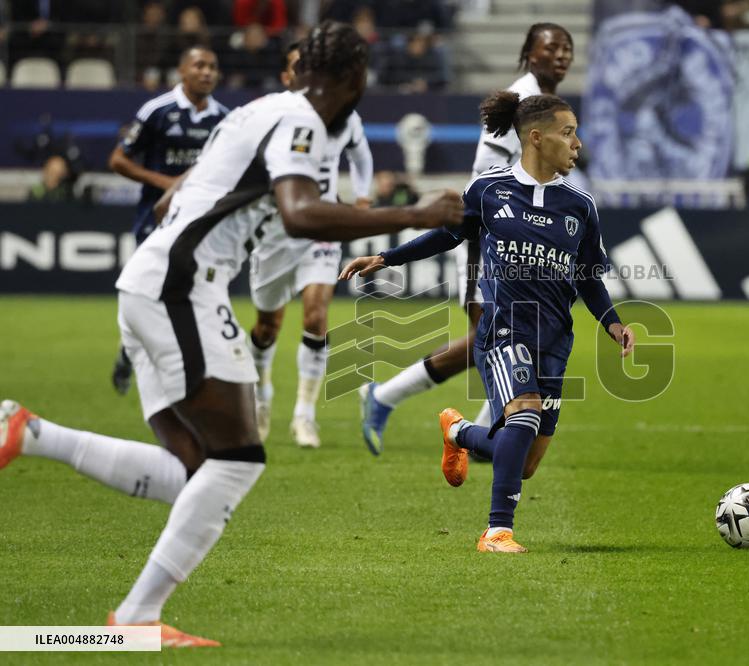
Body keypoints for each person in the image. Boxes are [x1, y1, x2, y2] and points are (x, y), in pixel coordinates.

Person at [0, 21, 462, 646]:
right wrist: (416, 213)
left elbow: (170, 204)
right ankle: (135, 619)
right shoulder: (301, 121)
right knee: (239, 458)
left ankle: (30, 433)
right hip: (183, 288)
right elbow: (300, 215)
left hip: (155, 281)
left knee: (195, 468)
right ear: (353, 79)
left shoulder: (253, 113)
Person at [341, 91, 634, 553]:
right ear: (536, 138)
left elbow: (587, 278)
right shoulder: (490, 190)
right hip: (503, 329)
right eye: (568, 132)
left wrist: (613, 323)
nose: (577, 144)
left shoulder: (581, 206)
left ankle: (458, 431)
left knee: (526, 461)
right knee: (524, 412)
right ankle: (497, 531)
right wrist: (386, 256)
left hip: (555, 340)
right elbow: (445, 235)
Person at [358, 22, 575, 456]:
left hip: (517, 240)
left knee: (504, 341)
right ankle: (394, 402)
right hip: (488, 238)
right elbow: (483, 177)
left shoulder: (549, 104)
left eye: (566, 47)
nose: (562, 54)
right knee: (490, 341)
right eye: (551, 47)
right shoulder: (521, 101)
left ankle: (478, 432)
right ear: (530, 53)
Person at [247, 41, 374, 448]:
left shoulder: (343, 115)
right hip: (275, 230)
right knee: (268, 326)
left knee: (316, 316)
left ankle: (304, 415)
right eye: (297, 66)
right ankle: (261, 395)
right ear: (287, 75)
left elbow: (361, 154)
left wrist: (363, 197)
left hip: (320, 224)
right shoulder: (270, 112)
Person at [108, 46, 227, 396]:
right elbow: (118, 160)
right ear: (182, 71)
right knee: (151, 290)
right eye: (199, 65)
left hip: (201, 221)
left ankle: (184, 369)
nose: (207, 72)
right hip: (155, 217)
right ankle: (131, 351)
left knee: (189, 291)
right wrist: (168, 185)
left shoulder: (225, 118)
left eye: (212, 66)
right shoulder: (157, 111)